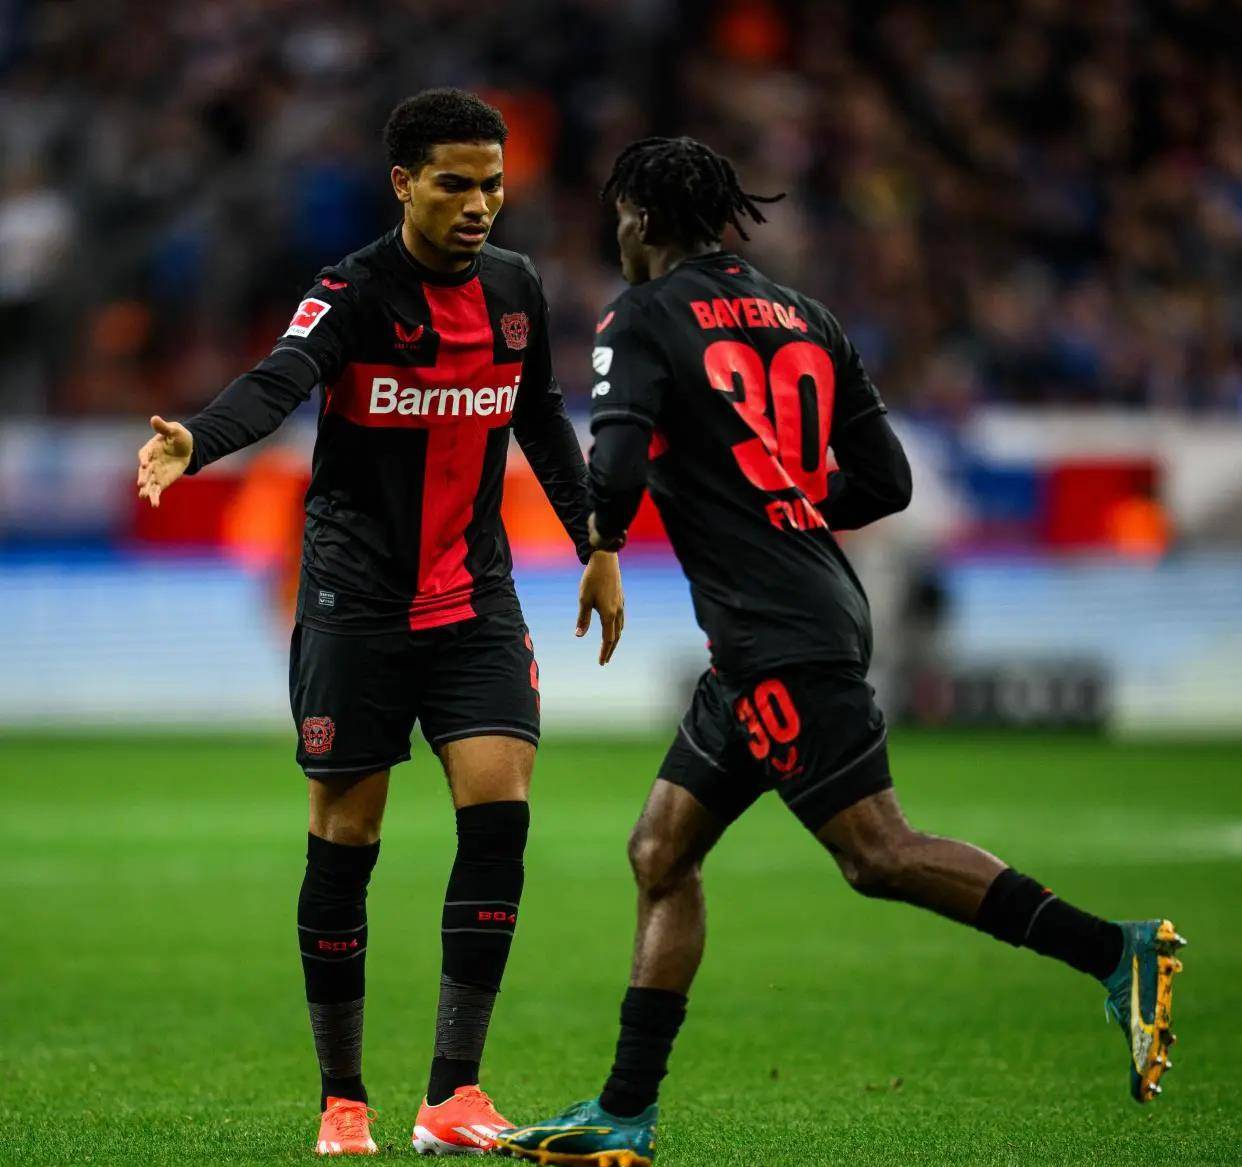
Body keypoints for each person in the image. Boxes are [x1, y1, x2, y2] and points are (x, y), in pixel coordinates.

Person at [495, 137, 1184, 1166]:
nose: (617, 234)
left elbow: (620, 452)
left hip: (777, 632)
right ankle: (624, 1111)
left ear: (640, 216)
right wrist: (782, 503)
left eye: (620, 216)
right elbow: (887, 481)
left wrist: (603, 546)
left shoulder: (641, 313)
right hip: (789, 617)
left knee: (878, 854)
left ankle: (1113, 951)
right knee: (660, 851)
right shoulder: (807, 315)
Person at [135, 89, 625, 1158]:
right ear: (403, 183)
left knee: (499, 816)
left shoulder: (516, 287)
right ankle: (342, 1099)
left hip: (475, 598)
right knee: (347, 839)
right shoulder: (350, 292)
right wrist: (198, 441)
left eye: (493, 185)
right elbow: (278, 381)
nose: (479, 204)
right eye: (455, 183)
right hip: (354, 604)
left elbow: (540, 417)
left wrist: (598, 542)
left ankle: (454, 1094)